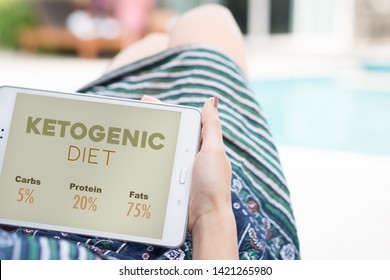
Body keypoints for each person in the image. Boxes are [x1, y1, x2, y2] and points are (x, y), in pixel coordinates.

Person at [0, 4, 299, 260]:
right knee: (207, 21)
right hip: (208, 232)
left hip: (54, 208)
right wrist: (210, 212)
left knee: (152, 46)